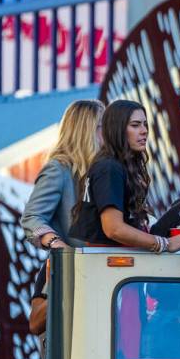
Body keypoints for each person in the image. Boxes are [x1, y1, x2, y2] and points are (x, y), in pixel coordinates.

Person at [68, 99, 180, 253]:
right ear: (117, 129)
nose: (144, 131)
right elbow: (113, 229)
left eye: (145, 124)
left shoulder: (114, 164)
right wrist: (164, 243)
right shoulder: (109, 168)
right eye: (135, 125)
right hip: (108, 264)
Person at [21, 99, 104, 249]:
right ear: (85, 131)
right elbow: (32, 217)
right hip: (75, 267)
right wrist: (58, 245)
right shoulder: (58, 169)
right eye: (101, 127)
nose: (108, 133)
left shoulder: (102, 169)